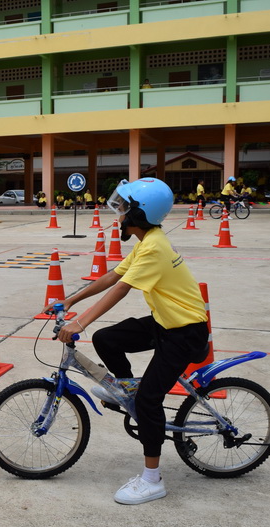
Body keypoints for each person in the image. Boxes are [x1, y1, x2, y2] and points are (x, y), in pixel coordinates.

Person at [49, 177, 208, 505]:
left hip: (183, 332)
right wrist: (70, 301)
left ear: (140, 214)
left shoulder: (154, 248)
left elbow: (120, 290)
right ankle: (125, 388)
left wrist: (78, 321)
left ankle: (153, 480)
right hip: (166, 323)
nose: (118, 215)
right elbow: (112, 276)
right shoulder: (148, 240)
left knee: (149, 401)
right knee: (106, 338)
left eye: (123, 210)